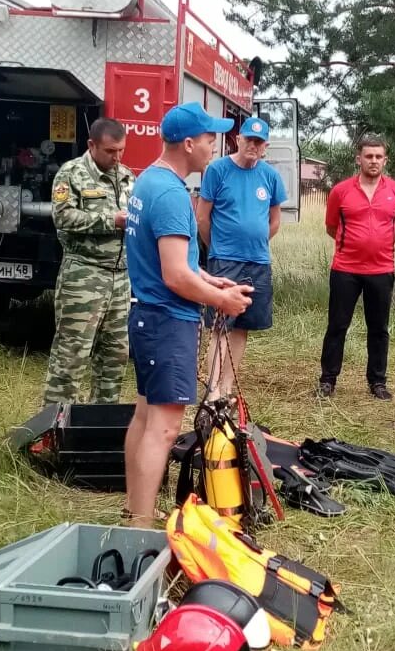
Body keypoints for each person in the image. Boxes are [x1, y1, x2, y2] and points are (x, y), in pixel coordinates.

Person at [123, 103, 253, 527]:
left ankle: (135, 507)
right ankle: (141, 528)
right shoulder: (171, 194)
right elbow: (175, 275)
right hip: (166, 321)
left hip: (147, 317)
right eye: (210, 137)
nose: (215, 145)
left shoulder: (151, 180)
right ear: (189, 143)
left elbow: (182, 263)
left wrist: (213, 282)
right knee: (161, 428)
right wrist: (222, 303)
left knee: (144, 416)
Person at [43, 118, 135, 405]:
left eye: (121, 150)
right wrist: (111, 220)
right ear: (91, 145)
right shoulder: (71, 174)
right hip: (84, 274)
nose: (117, 157)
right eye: (110, 151)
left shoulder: (127, 177)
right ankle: (54, 429)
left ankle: (100, 427)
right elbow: (63, 216)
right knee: (72, 354)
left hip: (120, 278)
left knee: (115, 357)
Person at [196, 116, 287, 399]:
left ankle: (227, 386)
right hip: (224, 261)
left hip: (258, 262)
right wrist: (218, 248)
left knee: (243, 326)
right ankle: (212, 391)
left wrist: (255, 241)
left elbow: (274, 221)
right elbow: (202, 217)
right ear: (238, 140)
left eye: (259, 142)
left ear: (265, 147)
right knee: (221, 325)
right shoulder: (217, 170)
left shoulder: (270, 176)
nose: (253, 145)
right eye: (249, 139)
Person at [318, 138, 395, 400]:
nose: (373, 161)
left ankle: (377, 381)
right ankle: (328, 379)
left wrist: (377, 246)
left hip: (381, 269)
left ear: (385, 160)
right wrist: (354, 246)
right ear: (359, 159)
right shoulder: (341, 191)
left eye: (379, 157)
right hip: (345, 268)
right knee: (337, 325)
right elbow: (331, 227)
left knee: (379, 328)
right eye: (369, 156)